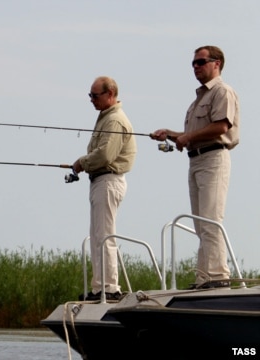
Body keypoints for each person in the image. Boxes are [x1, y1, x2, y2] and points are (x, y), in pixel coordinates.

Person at [151, 45, 239, 289]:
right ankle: (205, 277)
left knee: (211, 220)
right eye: (193, 63)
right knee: (200, 223)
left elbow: (221, 127)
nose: (196, 67)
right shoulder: (198, 98)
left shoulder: (223, 91)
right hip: (196, 160)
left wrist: (188, 138)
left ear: (217, 63)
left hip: (214, 159)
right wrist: (170, 134)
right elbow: (192, 134)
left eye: (201, 62)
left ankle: (218, 277)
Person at [73, 76, 137, 301]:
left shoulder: (114, 120)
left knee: (105, 234)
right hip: (100, 181)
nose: (91, 100)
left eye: (95, 95)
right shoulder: (105, 118)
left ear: (110, 94)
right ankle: (99, 287)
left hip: (109, 180)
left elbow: (105, 155)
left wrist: (82, 162)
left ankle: (109, 288)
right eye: (90, 95)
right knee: (98, 234)